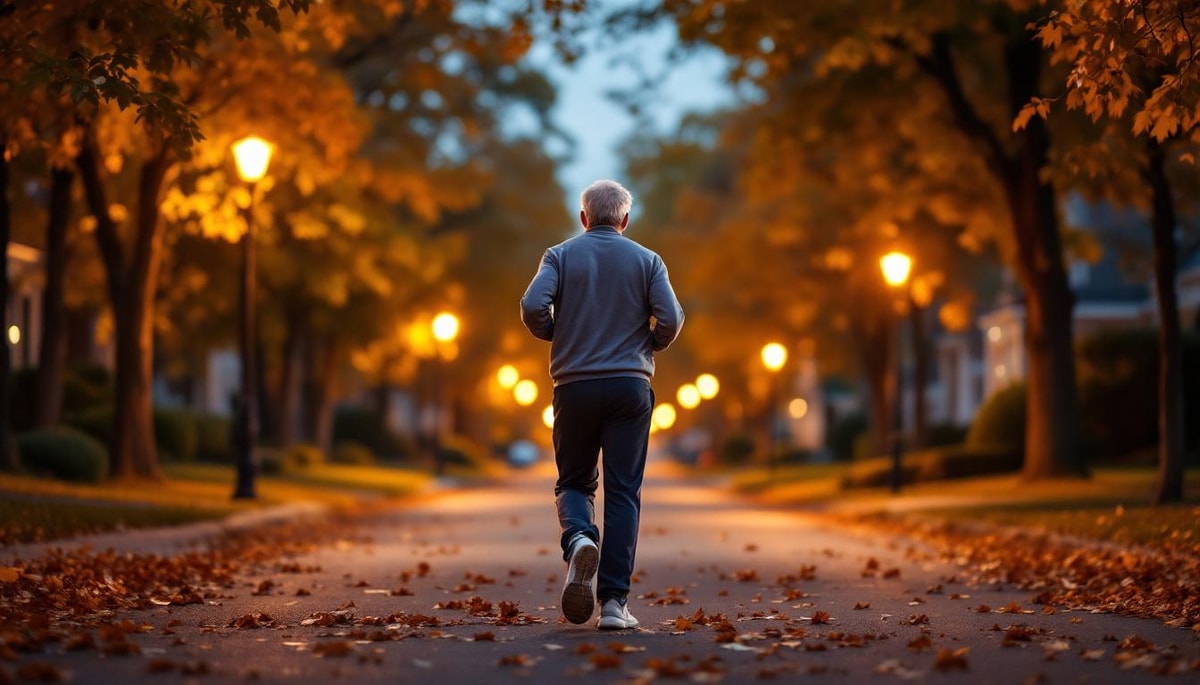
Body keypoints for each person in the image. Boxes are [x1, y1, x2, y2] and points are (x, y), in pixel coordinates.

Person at [520, 179, 684, 630]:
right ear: (625, 220)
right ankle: (614, 605)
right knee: (624, 493)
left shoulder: (559, 255)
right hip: (630, 388)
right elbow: (671, 318)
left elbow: (533, 305)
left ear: (584, 218)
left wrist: (557, 334)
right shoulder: (648, 260)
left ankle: (577, 540)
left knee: (573, 481)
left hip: (574, 387)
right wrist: (648, 345)